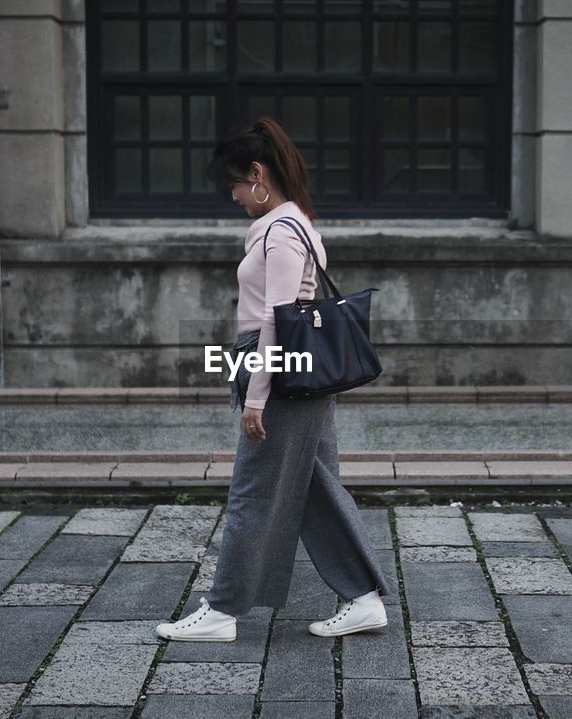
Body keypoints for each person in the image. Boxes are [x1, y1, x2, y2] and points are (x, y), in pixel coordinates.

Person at [155, 116, 393, 642]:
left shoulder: (281, 233)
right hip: (295, 373)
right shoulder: (295, 222)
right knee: (316, 489)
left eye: (236, 184)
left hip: (279, 373)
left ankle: (223, 610)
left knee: (253, 491)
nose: (235, 196)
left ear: (258, 174)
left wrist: (256, 396)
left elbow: (277, 319)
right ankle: (363, 598)